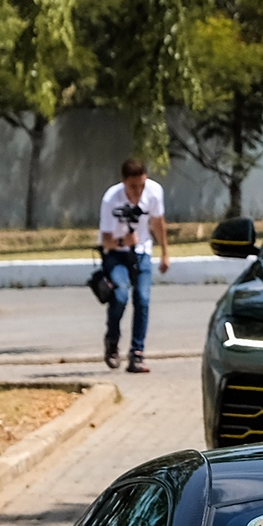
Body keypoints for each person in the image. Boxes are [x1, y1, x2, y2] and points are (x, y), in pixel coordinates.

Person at [97, 159, 172, 373]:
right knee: (120, 296)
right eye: (133, 187)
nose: (138, 191)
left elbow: (158, 222)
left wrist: (165, 252)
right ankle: (112, 342)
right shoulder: (111, 199)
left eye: (141, 185)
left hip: (141, 253)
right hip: (116, 254)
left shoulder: (154, 192)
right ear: (123, 182)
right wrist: (124, 242)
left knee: (143, 298)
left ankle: (137, 354)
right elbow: (106, 242)